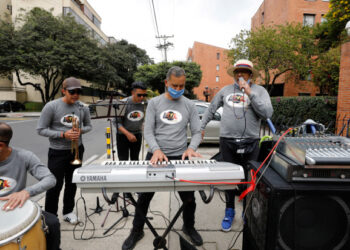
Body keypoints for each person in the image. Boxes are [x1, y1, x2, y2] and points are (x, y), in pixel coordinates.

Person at [122, 66, 203, 250]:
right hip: (156, 155)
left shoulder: (189, 105)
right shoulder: (155, 103)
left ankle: (189, 227)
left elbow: (197, 132)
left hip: (181, 156)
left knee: (189, 198)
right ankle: (137, 230)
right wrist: (156, 149)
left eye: (181, 85)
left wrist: (191, 148)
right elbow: (148, 130)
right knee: (144, 197)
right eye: (174, 85)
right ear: (166, 83)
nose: (178, 88)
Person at [201, 59, 273, 231]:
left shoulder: (260, 91)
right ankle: (229, 210)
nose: (240, 75)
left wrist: (250, 93)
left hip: (251, 141)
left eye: (244, 72)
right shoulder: (225, 90)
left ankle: (247, 211)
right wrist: (201, 127)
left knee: (249, 179)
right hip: (227, 141)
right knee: (229, 179)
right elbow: (211, 109)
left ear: (250, 75)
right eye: (237, 72)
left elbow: (267, 113)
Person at [37, 77, 92, 224]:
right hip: (57, 151)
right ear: (63, 91)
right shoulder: (51, 106)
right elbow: (41, 130)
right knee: (54, 184)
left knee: (72, 183)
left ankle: (68, 211)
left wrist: (79, 131)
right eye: (72, 91)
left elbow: (89, 126)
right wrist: (63, 134)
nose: (76, 94)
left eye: (79, 91)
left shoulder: (82, 107)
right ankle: (50, 216)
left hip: (76, 150)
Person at [0, 122, 61, 250]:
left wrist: (26, 192)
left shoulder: (24, 156)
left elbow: (50, 179)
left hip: (16, 209)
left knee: (52, 223)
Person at [113, 81, 147, 161]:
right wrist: (128, 134)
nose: (142, 97)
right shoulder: (123, 103)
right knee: (123, 160)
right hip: (123, 136)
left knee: (135, 159)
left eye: (144, 95)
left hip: (137, 135)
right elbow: (116, 122)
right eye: (139, 95)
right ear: (132, 92)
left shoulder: (145, 103)